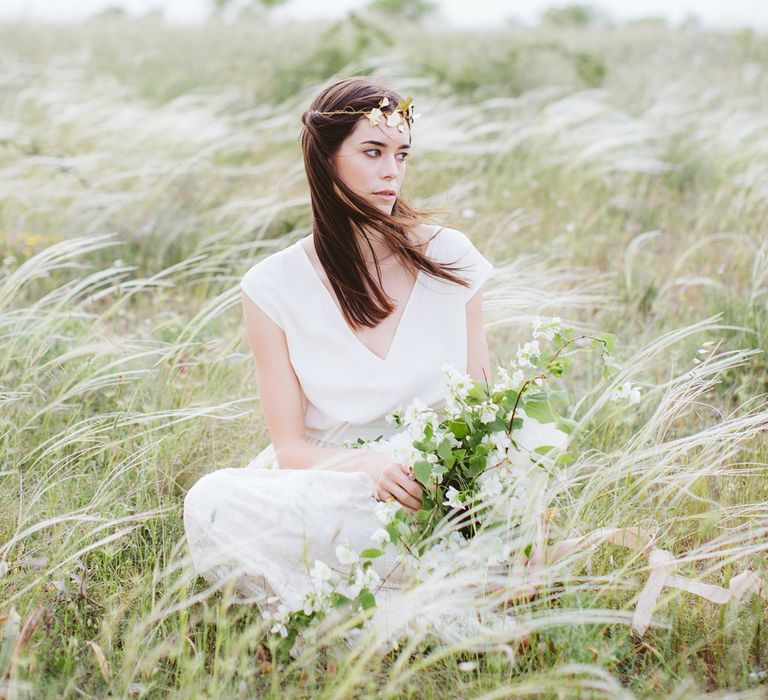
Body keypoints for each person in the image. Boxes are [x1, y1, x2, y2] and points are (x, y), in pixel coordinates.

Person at [183, 76, 494, 609]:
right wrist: (369, 466)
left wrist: (454, 481)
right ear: (326, 161)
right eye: (372, 152)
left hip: (435, 480)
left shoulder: (451, 257)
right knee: (209, 501)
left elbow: (484, 406)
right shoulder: (271, 286)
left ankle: (448, 568)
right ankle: (433, 579)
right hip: (334, 483)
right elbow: (291, 450)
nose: (391, 171)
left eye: (401, 154)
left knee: (434, 522)